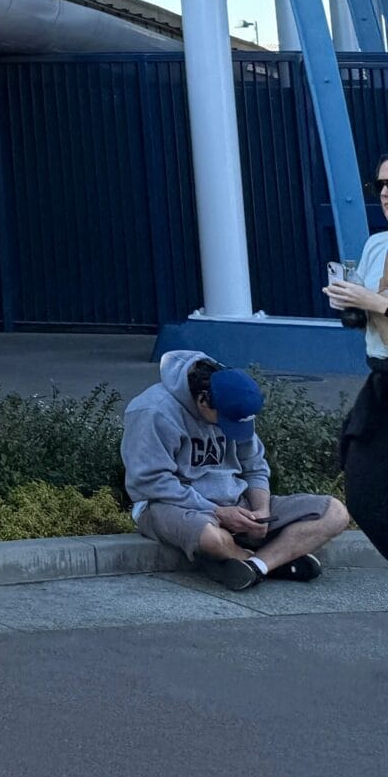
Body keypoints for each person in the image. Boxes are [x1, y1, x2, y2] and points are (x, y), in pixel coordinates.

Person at [119, 349, 351, 590]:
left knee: (335, 513)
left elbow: (254, 465)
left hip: (239, 506)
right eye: (224, 421)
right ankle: (272, 562)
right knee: (213, 539)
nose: (228, 429)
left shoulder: (236, 402)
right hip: (170, 507)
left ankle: (253, 566)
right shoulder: (153, 411)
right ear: (202, 400)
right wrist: (217, 511)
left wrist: (261, 509)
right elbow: (151, 482)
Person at [321, 155, 388, 550]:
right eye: (380, 185)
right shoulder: (377, 244)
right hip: (381, 380)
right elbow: (365, 314)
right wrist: (350, 304)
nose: (384, 193)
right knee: (365, 491)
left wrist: (374, 301)